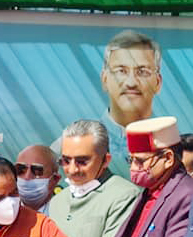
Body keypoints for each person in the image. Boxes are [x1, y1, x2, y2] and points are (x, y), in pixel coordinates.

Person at [51, 30, 162, 179]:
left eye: (143, 72)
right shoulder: (67, 146)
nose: (131, 83)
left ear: (157, 83)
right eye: (121, 71)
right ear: (104, 79)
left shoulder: (170, 146)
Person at [15, 144, 60, 214]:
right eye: (21, 170)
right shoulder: (3, 212)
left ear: (55, 180)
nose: (27, 177)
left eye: (37, 172)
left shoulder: (63, 215)